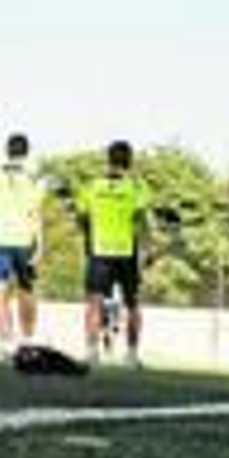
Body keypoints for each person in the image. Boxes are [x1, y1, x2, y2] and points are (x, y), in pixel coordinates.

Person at [74, 140, 150, 366]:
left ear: (108, 159)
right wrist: (148, 250)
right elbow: (141, 221)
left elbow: (82, 217)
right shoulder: (137, 188)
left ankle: (91, 353)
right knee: (133, 304)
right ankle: (132, 355)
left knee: (93, 303)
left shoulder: (92, 186)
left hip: (100, 251)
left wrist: (90, 236)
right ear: (130, 161)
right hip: (127, 250)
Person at [0, 134, 46, 352]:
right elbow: (36, 213)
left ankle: (6, 340)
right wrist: (41, 244)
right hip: (26, 241)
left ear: (7, 150)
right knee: (26, 290)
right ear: (26, 152)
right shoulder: (33, 178)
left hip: (0, 241)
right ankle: (28, 339)